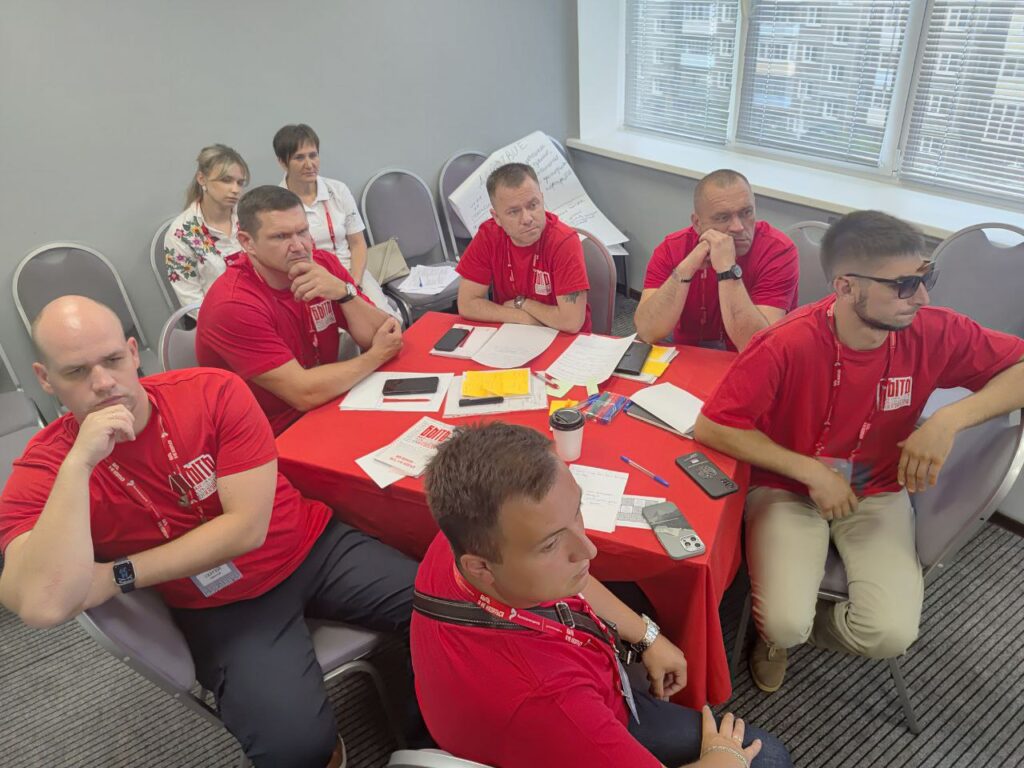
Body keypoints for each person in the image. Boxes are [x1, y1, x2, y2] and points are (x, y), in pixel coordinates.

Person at [0, 296, 417, 768]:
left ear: (133, 354)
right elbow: (41, 604)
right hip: (220, 605)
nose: (102, 383)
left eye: (112, 360)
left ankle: (430, 740)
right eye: (76, 372)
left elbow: (246, 529)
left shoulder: (210, 392)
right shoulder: (49, 466)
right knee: (293, 750)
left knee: (450, 608)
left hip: (310, 548)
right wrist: (79, 464)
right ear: (45, 379)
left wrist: (117, 575)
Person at [694, 211, 1024, 694]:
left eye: (926, 277)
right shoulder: (785, 343)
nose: (923, 297)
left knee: (890, 634)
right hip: (789, 487)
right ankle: (779, 636)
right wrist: (811, 471)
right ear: (846, 287)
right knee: (784, 625)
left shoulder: (934, 329)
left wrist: (950, 419)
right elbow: (714, 426)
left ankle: (805, 627)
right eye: (904, 285)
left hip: (877, 488)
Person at [412, 422, 793, 768]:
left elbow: (574, 581)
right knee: (768, 758)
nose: (588, 549)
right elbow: (561, 708)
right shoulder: (554, 703)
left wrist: (647, 636)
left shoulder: (466, 541)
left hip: (541, 693)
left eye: (576, 512)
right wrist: (726, 759)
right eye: (550, 545)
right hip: (561, 721)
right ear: (481, 567)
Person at [195, 185, 403, 435]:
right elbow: (303, 393)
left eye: (303, 231)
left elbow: (386, 334)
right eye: (281, 237)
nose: (299, 246)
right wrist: (374, 357)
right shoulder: (233, 305)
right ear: (247, 242)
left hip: (329, 401)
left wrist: (344, 293)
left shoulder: (322, 265)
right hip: (272, 432)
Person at [634, 169, 798, 351]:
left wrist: (727, 270)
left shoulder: (778, 250)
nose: (738, 227)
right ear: (697, 223)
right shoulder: (672, 248)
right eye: (723, 218)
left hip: (745, 357)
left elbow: (758, 348)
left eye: (746, 212)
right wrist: (685, 269)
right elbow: (647, 331)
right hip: (688, 352)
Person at [274, 123, 400, 320]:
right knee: (341, 333)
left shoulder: (338, 190)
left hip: (350, 272)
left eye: (313, 155)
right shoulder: (276, 203)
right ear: (283, 162)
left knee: (388, 322)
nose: (309, 164)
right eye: (299, 157)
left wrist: (354, 284)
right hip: (310, 280)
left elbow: (358, 244)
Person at [456, 163, 591, 333]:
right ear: (497, 217)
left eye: (533, 205)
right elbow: (467, 304)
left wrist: (522, 304)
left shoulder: (564, 242)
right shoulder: (489, 235)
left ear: (542, 199)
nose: (527, 219)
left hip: (564, 337)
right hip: (516, 330)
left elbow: (571, 322)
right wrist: (522, 318)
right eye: (514, 212)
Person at [163, 144, 250, 313]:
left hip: (264, 309)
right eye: (226, 180)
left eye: (240, 183)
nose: (235, 190)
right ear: (202, 179)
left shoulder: (249, 216)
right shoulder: (181, 233)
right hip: (217, 319)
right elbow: (192, 303)